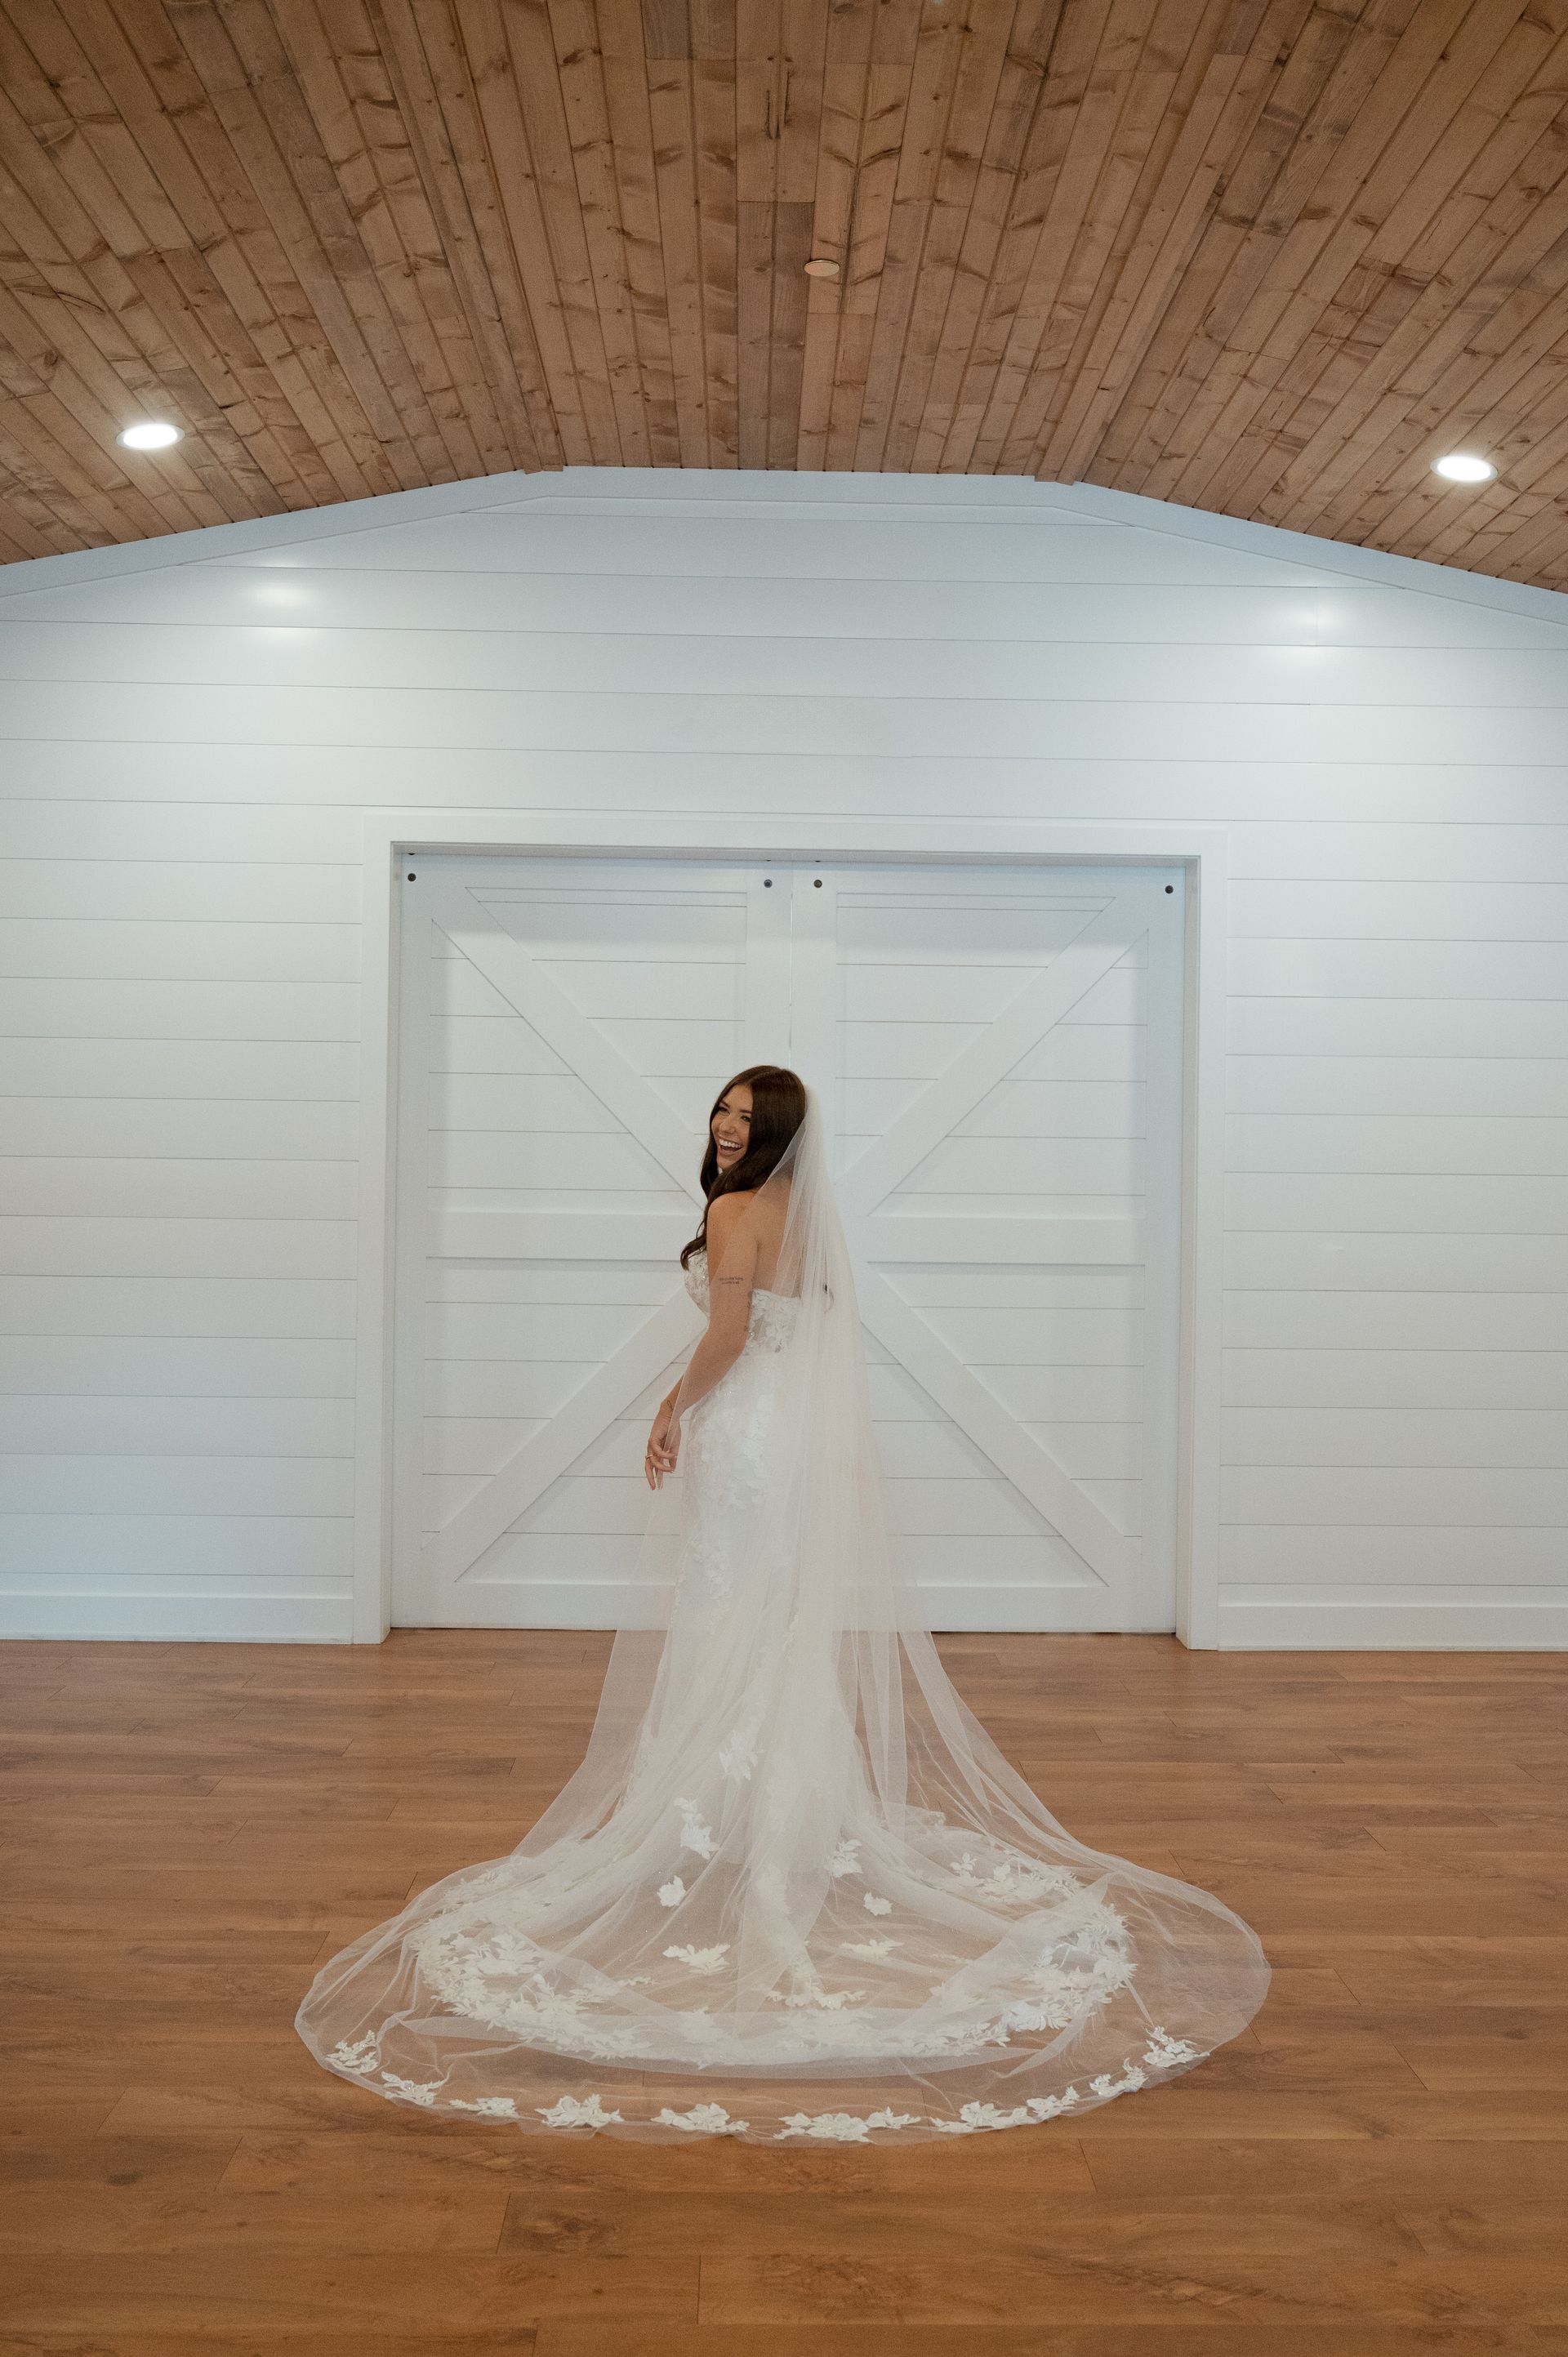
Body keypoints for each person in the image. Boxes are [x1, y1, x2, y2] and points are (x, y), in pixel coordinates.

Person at [296, 1066, 1269, 2141]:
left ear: (776, 1136)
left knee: (729, 1617)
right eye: (719, 1113)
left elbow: (722, 1339)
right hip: (791, 1441)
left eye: (744, 1121)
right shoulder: (809, 1213)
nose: (722, 1130)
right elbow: (815, 1326)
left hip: (749, 1439)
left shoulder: (732, 1210)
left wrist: (669, 1408)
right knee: (776, 1625)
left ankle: (723, 1823)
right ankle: (781, 1821)